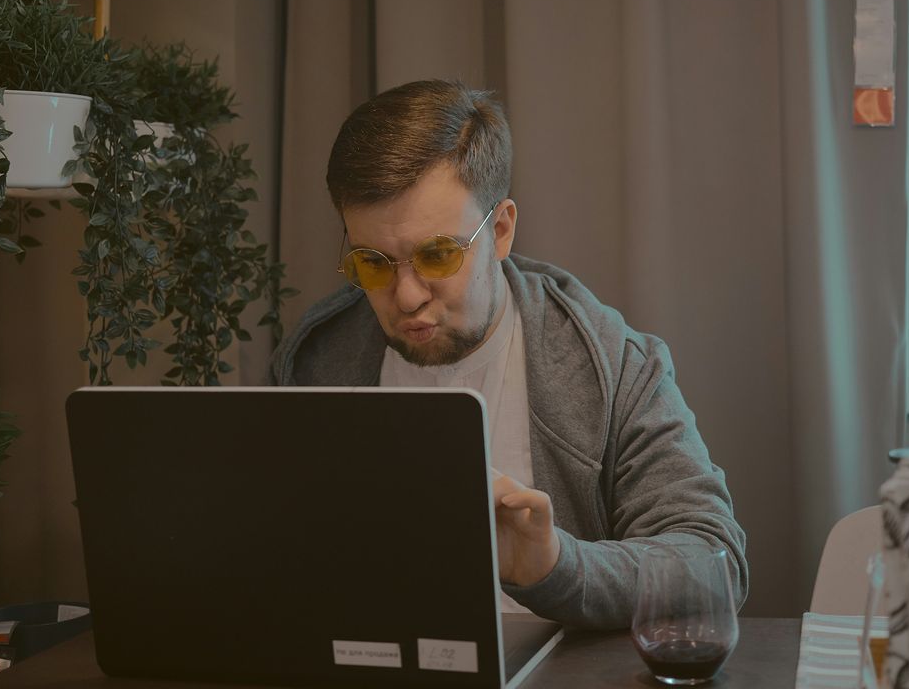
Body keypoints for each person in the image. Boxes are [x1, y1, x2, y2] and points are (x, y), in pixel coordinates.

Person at [268, 79, 747, 630]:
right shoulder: (313, 361)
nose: (407, 297)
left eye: (438, 255)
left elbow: (714, 564)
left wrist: (558, 566)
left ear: (499, 230)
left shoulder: (613, 363)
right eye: (373, 263)